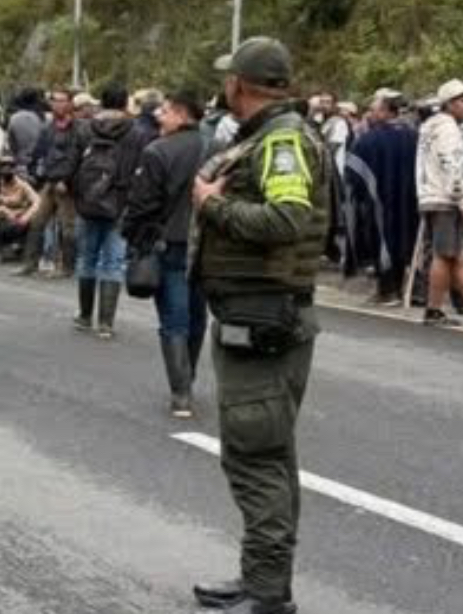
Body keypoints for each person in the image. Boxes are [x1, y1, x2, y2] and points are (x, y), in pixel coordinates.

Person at [191, 37, 327, 614]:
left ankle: (269, 593)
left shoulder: (283, 140)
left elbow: (288, 217)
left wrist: (212, 205)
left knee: (256, 458)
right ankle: (259, 579)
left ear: (240, 85)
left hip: (265, 320)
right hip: (257, 316)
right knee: (266, 453)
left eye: (229, 79)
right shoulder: (271, 136)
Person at [122, 89, 208, 417]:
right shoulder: (215, 147)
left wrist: (132, 235)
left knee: (174, 317)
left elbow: (142, 203)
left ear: (183, 114)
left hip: (168, 241)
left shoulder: (158, 151)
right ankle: (190, 378)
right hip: (204, 242)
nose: (160, 115)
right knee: (198, 314)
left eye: (167, 111)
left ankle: (180, 391)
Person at [69, 82, 151, 339]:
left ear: (102, 102)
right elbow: (142, 171)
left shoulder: (84, 128)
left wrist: (79, 195)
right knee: (113, 262)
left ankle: (84, 315)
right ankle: (106, 323)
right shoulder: (136, 133)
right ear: (125, 102)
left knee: (87, 259)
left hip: (88, 201)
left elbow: (72, 166)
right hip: (121, 201)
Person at [346, 91, 419, 305]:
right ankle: (400, 288)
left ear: (387, 111)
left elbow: (354, 174)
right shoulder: (414, 137)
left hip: (379, 201)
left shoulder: (369, 140)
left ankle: (387, 290)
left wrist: (359, 197)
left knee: (383, 241)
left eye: (374, 109)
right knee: (405, 240)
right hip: (409, 200)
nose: (370, 113)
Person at [415, 79, 463, 325]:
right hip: (446, 198)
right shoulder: (448, 128)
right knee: (447, 255)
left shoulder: (428, 126)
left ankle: (434, 310)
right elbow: (452, 167)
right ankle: (433, 309)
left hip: (429, 195)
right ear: (451, 103)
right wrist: (461, 197)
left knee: (446, 255)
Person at [21, 88, 79, 276]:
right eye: (54, 100)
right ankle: (29, 264)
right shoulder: (49, 127)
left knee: (67, 227)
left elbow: (76, 157)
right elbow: (40, 152)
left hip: (66, 184)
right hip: (49, 180)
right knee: (37, 221)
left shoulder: (78, 128)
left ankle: (67, 267)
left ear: (70, 103)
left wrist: (67, 179)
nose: (57, 104)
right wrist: (35, 172)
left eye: (62, 100)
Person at [0, 156, 40, 256]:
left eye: (9, 166)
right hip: (0, 217)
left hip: (18, 219)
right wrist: (4, 210)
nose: (6, 169)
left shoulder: (22, 185)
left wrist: (26, 216)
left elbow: (37, 201)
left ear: (14, 169)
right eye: (3, 166)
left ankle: (21, 249)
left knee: (31, 223)